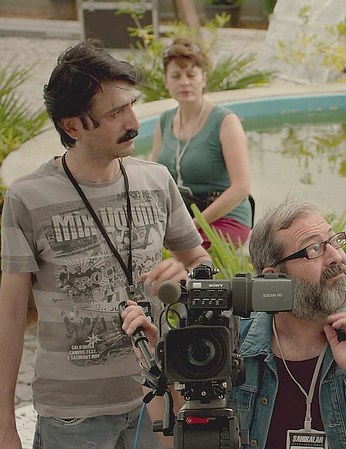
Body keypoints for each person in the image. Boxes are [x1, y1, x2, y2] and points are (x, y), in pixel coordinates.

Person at [0, 39, 212, 449]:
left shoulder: (156, 180)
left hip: (157, 404)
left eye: (131, 105)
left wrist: (187, 273)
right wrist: (4, 425)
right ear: (72, 126)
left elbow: (200, 263)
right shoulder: (27, 198)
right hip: (72, 417)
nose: (133, 122)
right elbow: (9, 317)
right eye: (115, 113)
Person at [124, 198, 346, 449]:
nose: (336, 256)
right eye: (314, 249)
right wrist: (155, 365)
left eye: (334, 241)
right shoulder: (232, 337)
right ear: (273, 277)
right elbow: (179, 439)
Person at [150, 37, 252, 249]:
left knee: (190, 257)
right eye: (176, 76)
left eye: (191, 75)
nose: (184, 82)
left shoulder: (225, 121)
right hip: (181, 217)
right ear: (166, 81)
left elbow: (241, 188)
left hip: (224, 218)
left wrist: (193, 224)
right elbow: (154, 179)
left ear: (203, 79)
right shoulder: (165, 120)